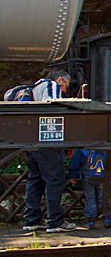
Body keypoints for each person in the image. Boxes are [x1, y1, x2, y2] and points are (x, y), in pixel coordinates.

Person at [23, 70, 76, 233]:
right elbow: (53, 107)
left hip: (31, 143)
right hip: (47, 141)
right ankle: (55, 221)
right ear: (59, 79)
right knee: (54, 181)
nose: (65, 90)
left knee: (35, 179)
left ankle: (31, 220)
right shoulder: (51, 85)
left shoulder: (34, 87)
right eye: (65, 85)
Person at [68, 148, 110, 229]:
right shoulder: (105, 147)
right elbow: (110, 163)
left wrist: (72, 175)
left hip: (88, 177)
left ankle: (91, 220)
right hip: (103, 177)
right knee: (104, 196)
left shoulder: (82, 149)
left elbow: (74, 162)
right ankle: (106, 218)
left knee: (90, 197)